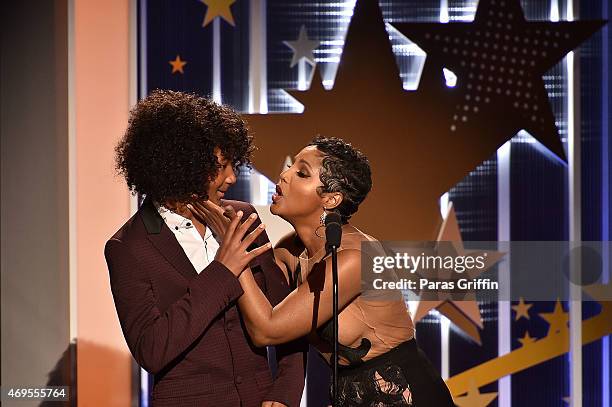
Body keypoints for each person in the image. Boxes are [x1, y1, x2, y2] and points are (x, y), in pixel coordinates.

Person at [190, 136, 455, 406]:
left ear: (330, 199)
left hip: (404, 394)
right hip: (346, 393)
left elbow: (266, 330)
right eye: (291, 167)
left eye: (301, 173)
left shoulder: (355, 259)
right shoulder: (289, 252)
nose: (284, 175)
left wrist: (231, 248)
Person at [104, 90, 304, 407]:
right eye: (220, 166)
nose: (232, 176)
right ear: (179, 163)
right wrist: (224, 270)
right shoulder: (128, 247)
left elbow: (287, 321)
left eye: (232, 163)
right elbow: (152, 350)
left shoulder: (243, 218)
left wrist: (283, 394)